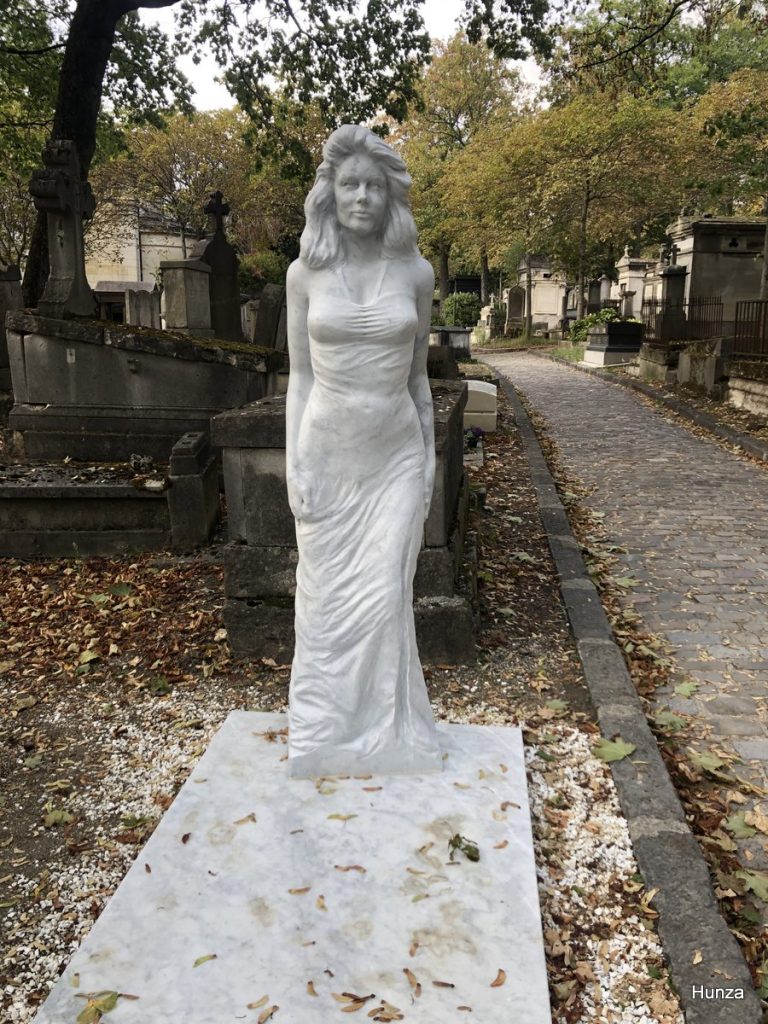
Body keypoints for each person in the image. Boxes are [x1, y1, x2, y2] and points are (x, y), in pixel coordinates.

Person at [285, 124, 442, 778]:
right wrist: (294, 461)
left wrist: (430, 457)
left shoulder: (417, 272)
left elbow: (419, 378)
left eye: (374, 186)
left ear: (390, 196)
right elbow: (299, 377)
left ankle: (387, 734)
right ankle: (324, 733)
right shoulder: (303, 274)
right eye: (350, 184)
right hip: (327, 456)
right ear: (330, 191)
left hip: (397, 457)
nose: (362, 197)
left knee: (385, 594)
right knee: (324, 606)